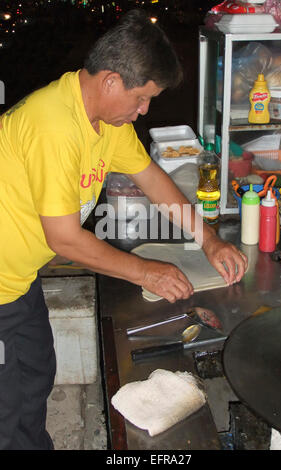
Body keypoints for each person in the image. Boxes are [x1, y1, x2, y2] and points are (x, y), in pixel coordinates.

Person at [0, 9, 247, 450]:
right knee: (7, 400)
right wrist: (145, 272)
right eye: (141, 98)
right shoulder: (54, 125)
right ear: (110, 80)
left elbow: (151, 177)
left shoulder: (103, 120)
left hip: (18, 278)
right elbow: (64, 238)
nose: (144, 110)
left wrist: (207, 238)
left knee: (35, 372)